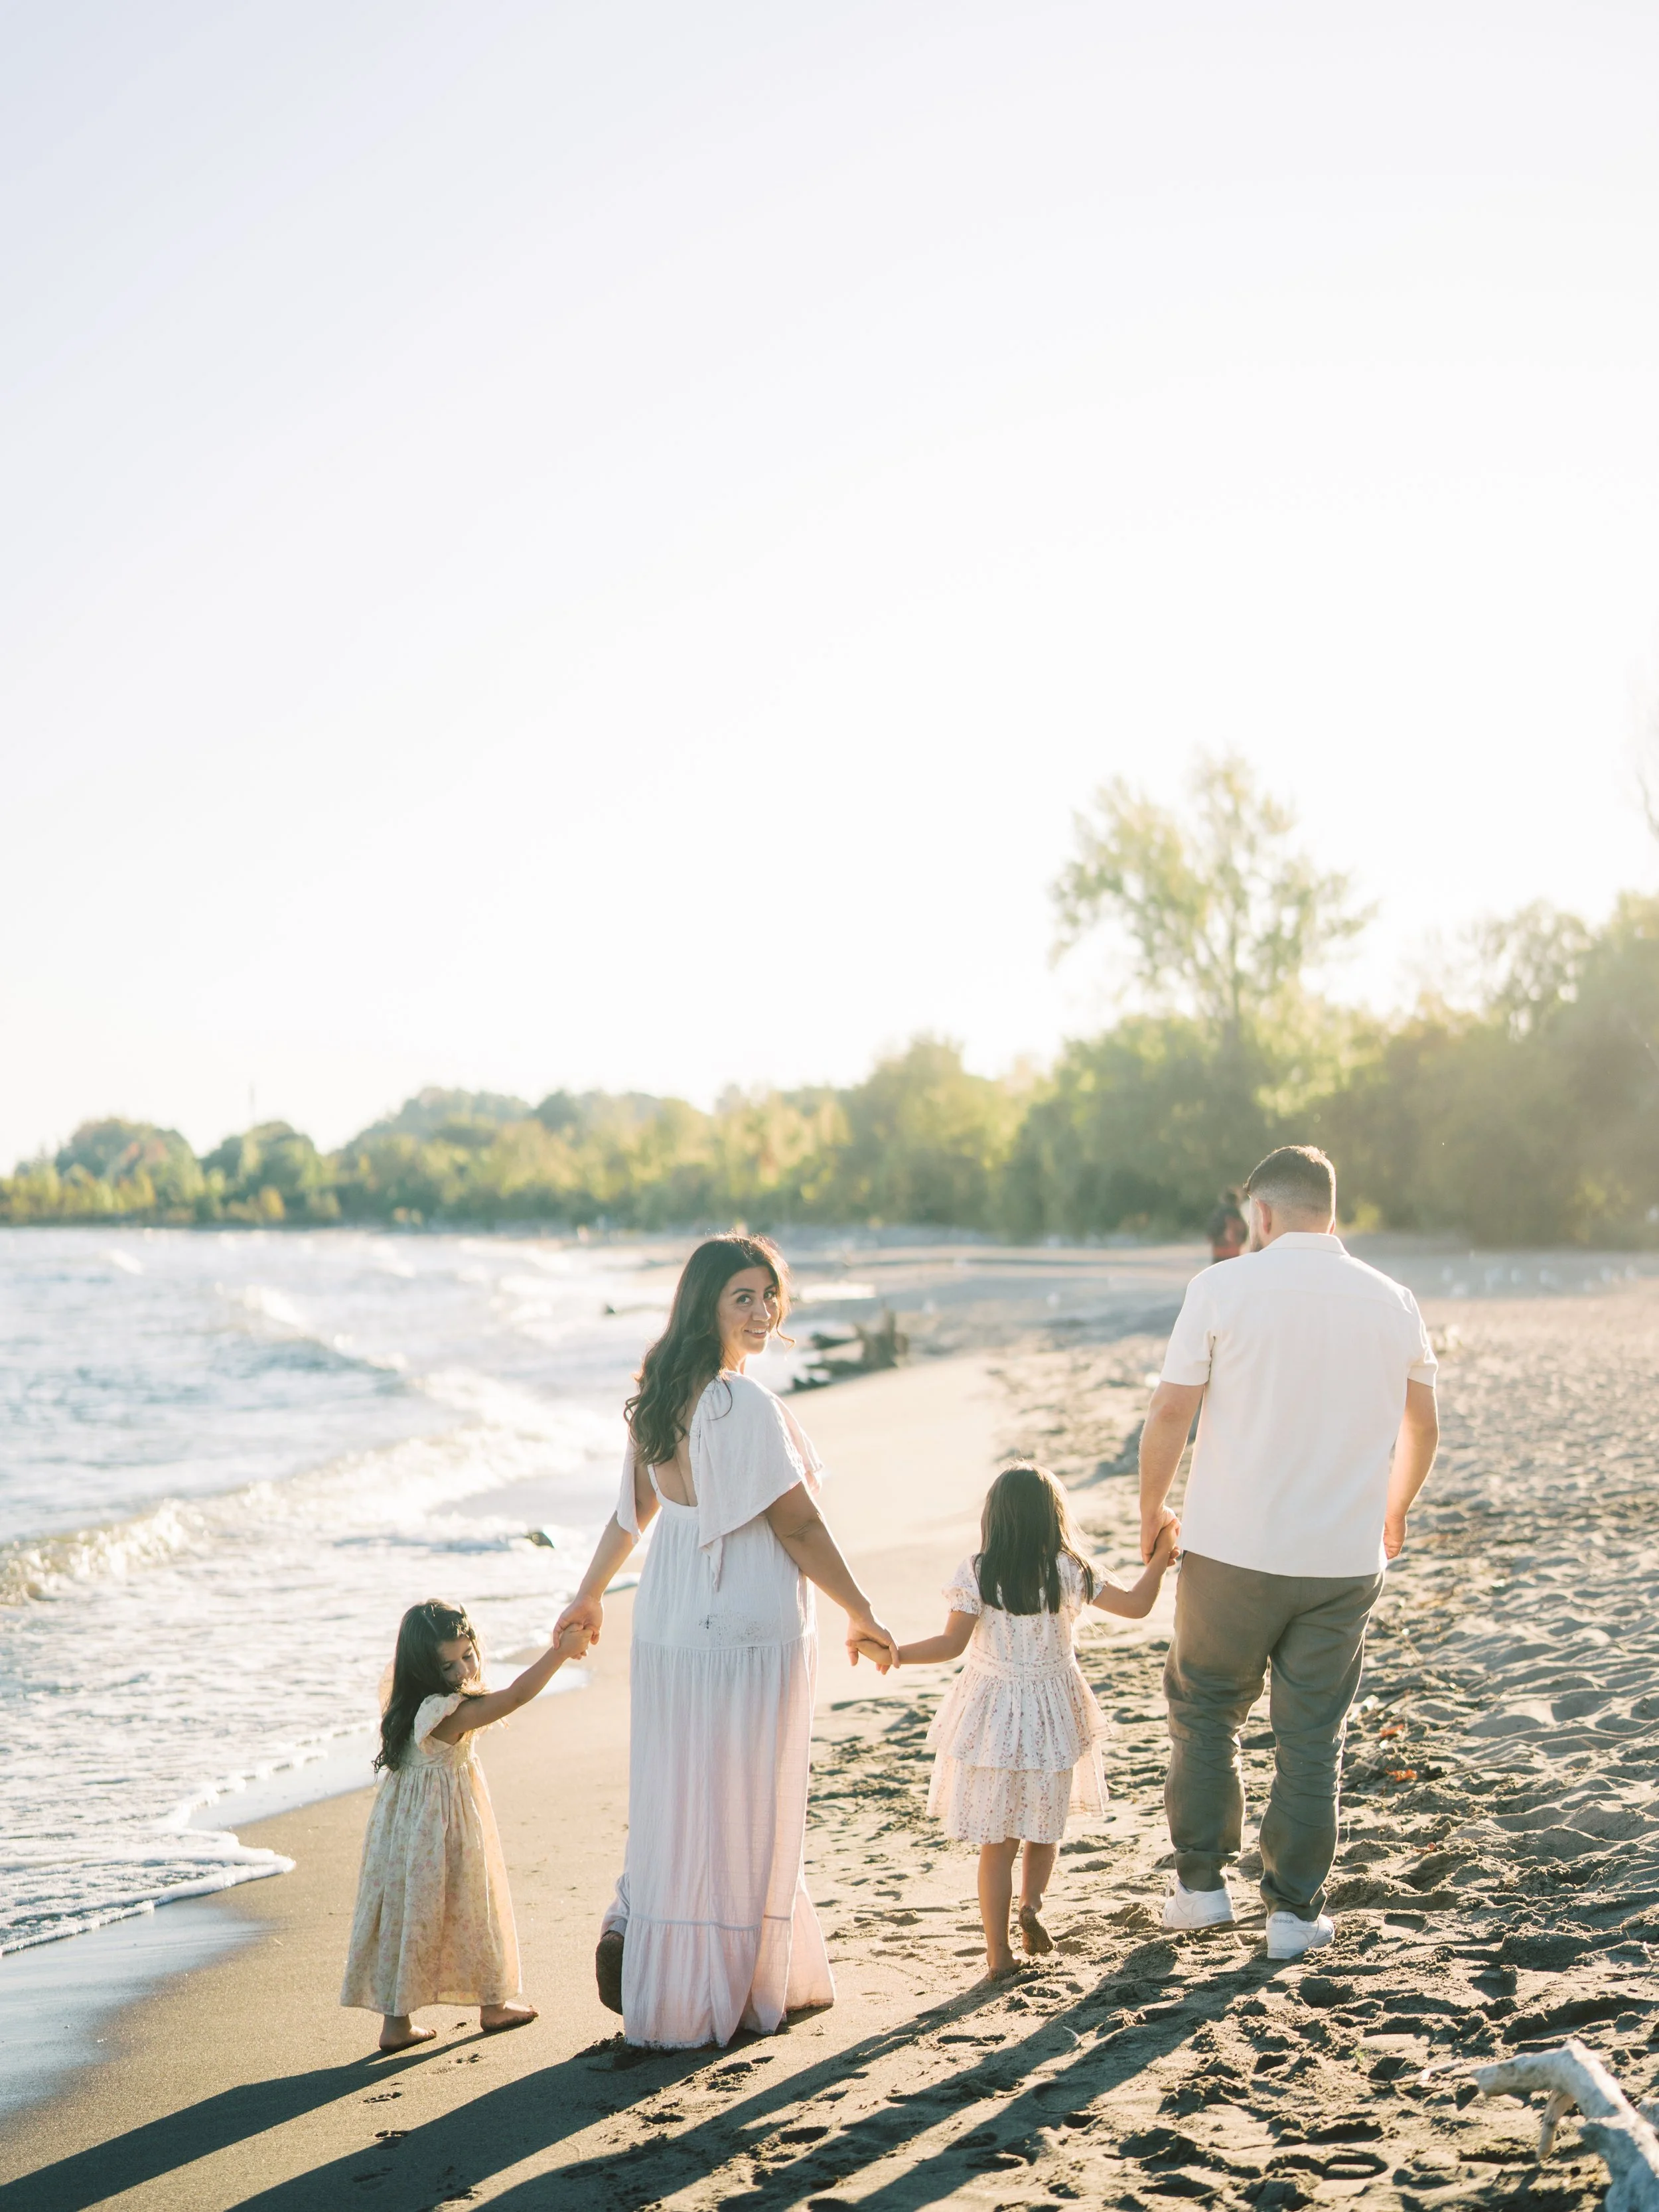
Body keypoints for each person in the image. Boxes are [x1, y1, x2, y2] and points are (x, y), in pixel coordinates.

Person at [553, 1234, 899, 2049]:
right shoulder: (739, 1405)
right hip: (741, 1622)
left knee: (684, 1793)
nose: (761, 1311)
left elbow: (630, 1515)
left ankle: (665, 1954)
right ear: (705, 1302)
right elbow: (800, 1525)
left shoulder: (662, 1392)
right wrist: (861, 1609)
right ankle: (729, 1981)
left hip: (673, 1621)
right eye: (742, 1296)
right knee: (744, 1794)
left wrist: (591, 1593)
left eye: (768, 1295)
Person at [1138, 1145, 1439, 1960]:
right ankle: (1293, 1916)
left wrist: (1151, 1510)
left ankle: (1201, 1890)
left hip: (1230, 1547)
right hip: (1342, 1559)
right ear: (1331, 1213)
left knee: (1204, 1711)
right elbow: (1423, 1427)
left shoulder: (1221, 1286)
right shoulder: (1393, 1300)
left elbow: (1170, 1414)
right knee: (1312, 1736)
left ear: (1259, 1216)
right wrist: (1395, 1508)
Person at [860, 1463, 1179, 1981]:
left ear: (996, 1518)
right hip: (1054, 1715)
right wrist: (1161, 1559)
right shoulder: (1069, 1568)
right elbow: (1140, 1606)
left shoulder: (980, 1571)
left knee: (997, 1842)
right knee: (1042, 1826)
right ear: (1054, 1517)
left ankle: (998, 1957)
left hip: (993, 1719)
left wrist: (893, 1653)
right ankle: (1031, 1904)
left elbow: (949, 1645)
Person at [341, 1599, 591, 2051]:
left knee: (408, 1914)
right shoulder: (447, 1711)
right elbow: (514, 1697)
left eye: (468, 1655)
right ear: (424, 1669)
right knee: (475, 1905)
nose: (462, 1670)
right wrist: (559, 1652)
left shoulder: (407, 1703)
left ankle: (396, 2024)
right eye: (448, 1664)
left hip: (402, 1830)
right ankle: (492, 2005)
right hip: (443, 1829)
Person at [1206, 1189, 1248, 1263]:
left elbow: (1212, 1229)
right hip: (1234, 1249)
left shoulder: (1219, 1213)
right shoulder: (1237, 1213)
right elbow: (1243, 1229)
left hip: (1220, 1248)